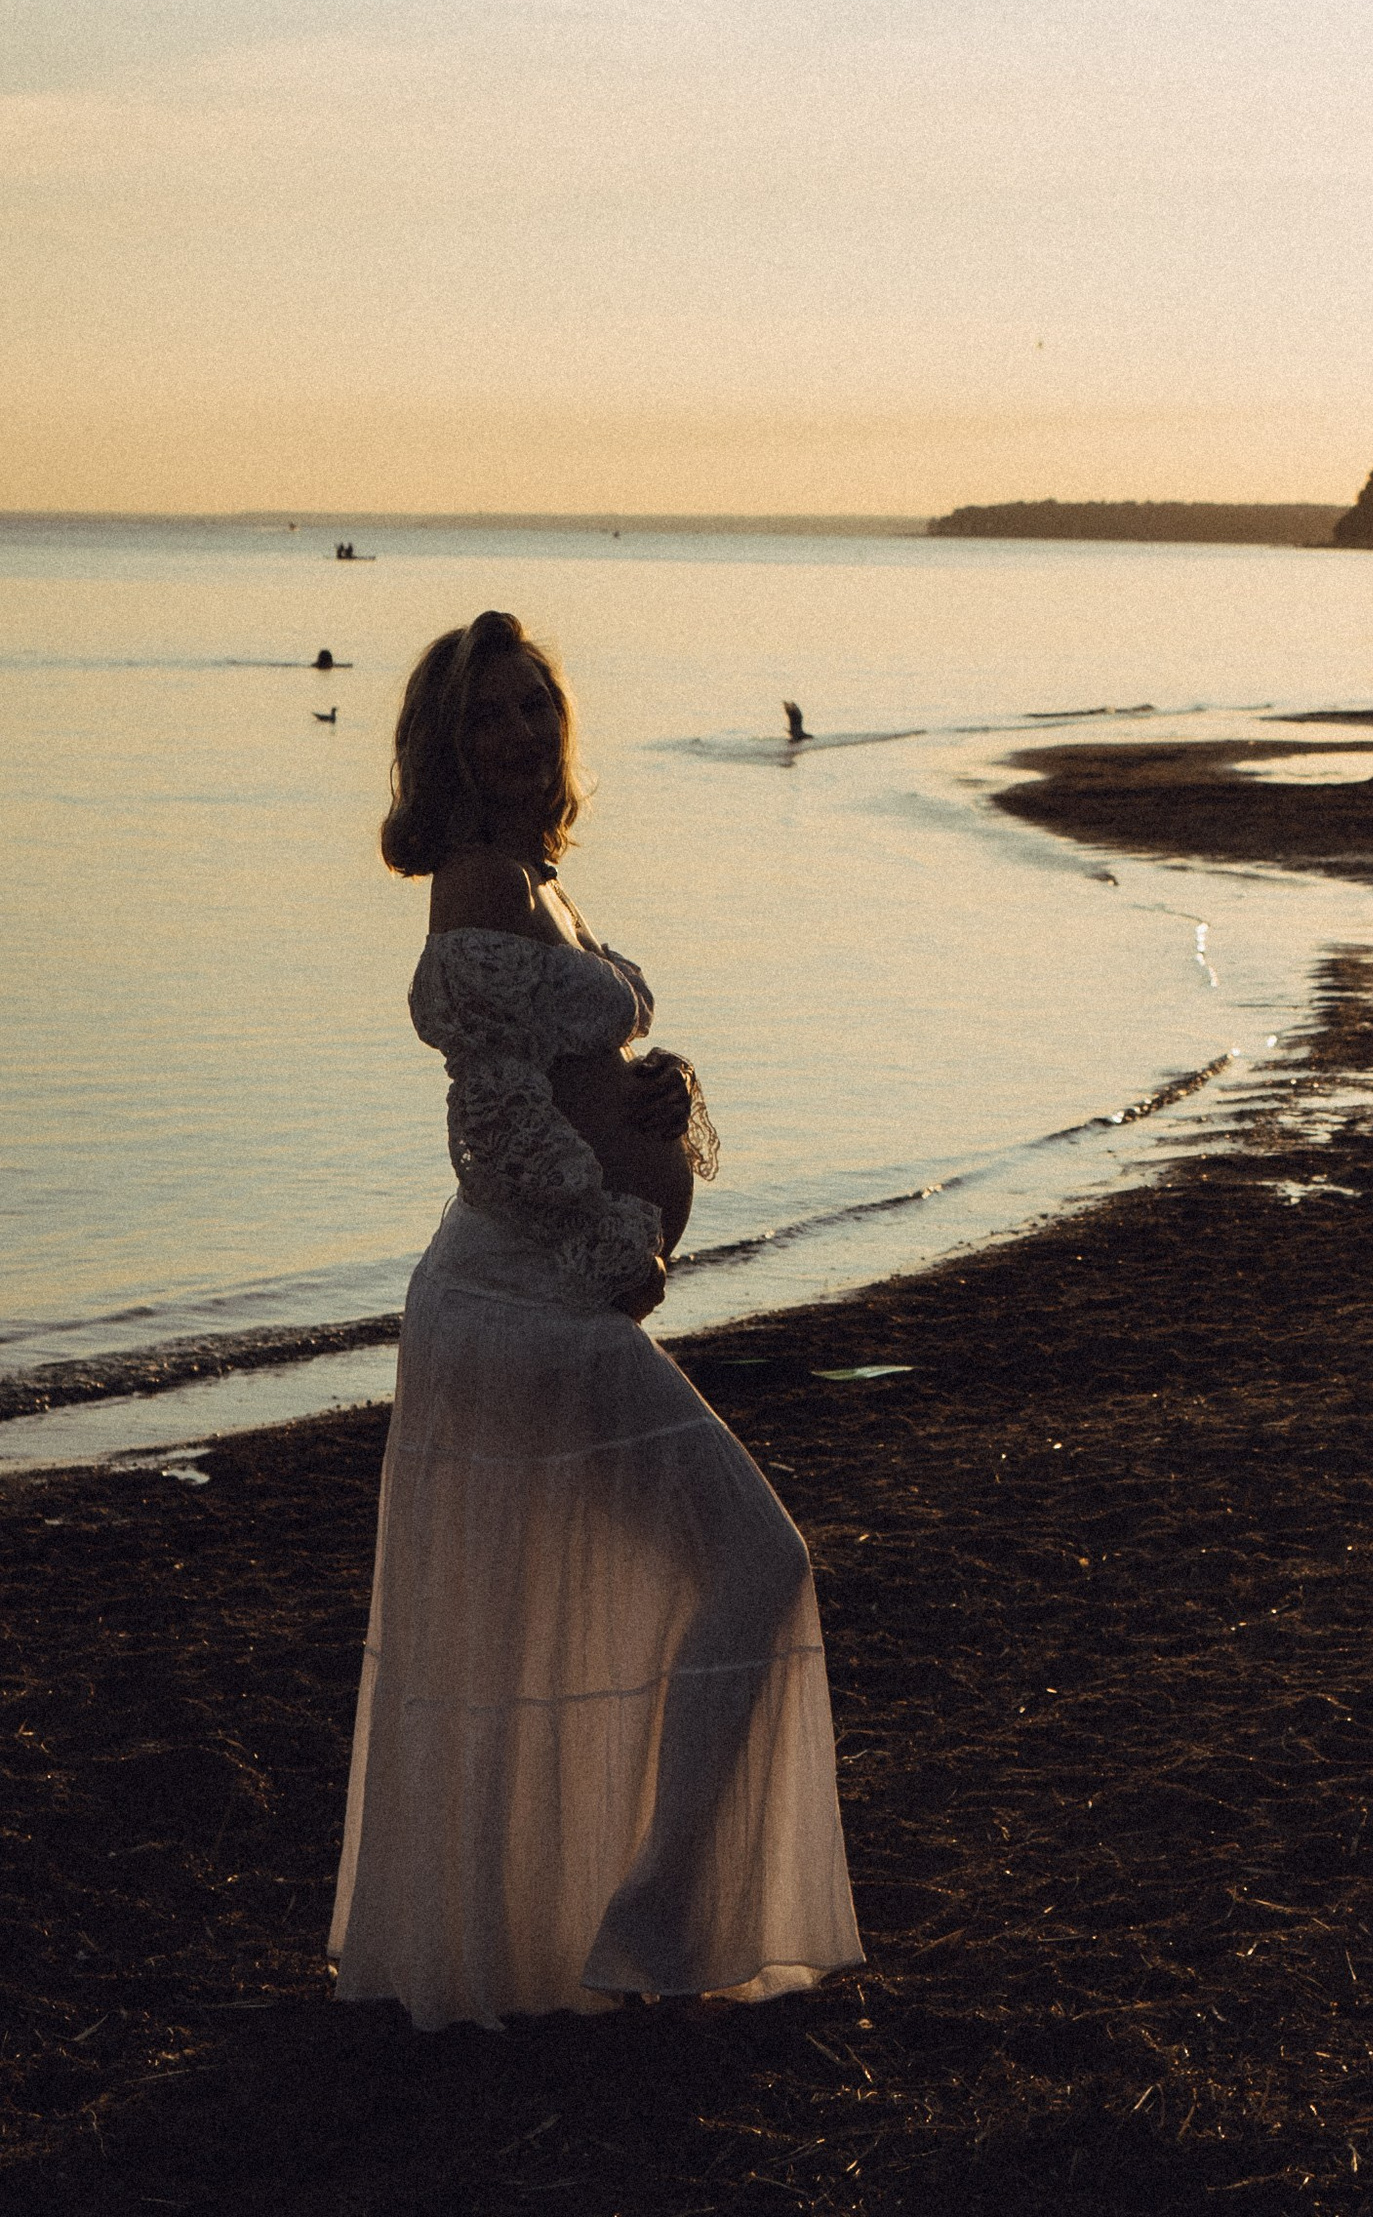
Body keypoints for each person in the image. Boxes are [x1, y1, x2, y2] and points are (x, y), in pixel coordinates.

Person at [332, 609, 861, 2030]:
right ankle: (651, 1926)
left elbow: (558, 1080)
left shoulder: (537, 879)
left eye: (530, 708)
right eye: (485, 716)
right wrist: (619, 1229)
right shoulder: (473, 891)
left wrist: (648, 1105)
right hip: (519, 1304)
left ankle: (626, 1925)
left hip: (544, 1294)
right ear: (444, 748)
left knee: (689, 1580)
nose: (515, 734)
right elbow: (494, 1130)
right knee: (757, 1564)